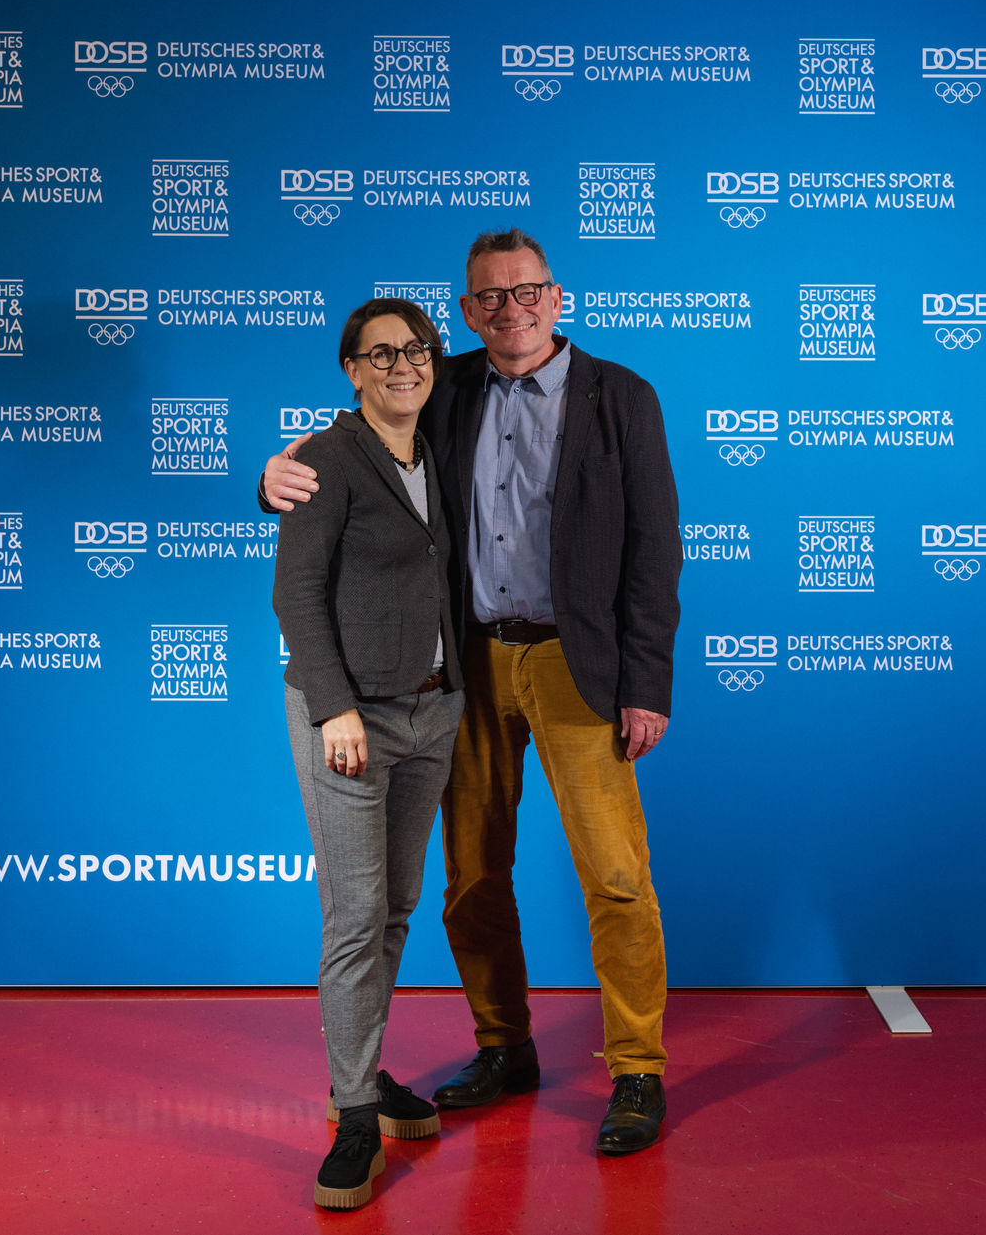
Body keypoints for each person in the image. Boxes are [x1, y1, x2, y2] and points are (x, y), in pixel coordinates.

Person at [262, 228, 682, 1155]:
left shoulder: (622, 396)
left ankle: (636, 1067)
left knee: (614, 873)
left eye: (527, 291)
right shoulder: (442, 385)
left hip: (579, 664)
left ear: (557, 297)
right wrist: (273, 477)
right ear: (466, 313)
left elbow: (656, 550)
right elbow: (353, 442)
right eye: (490, 296)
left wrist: (646, 682)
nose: (511, 309)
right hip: (465, 666)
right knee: (473, 876)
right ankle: (504, 1044)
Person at [273, 298, 465, 1210]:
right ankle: (354, 1111)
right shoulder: (325, 456)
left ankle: (362, 1068)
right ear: (350, 370)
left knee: (395, 907)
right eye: (380, 353)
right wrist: (333, 708)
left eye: (415, 349)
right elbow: (296, 593)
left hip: (435, 712)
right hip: (351, 718)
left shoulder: (441, 447)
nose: (402, 365)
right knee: (355, 915)